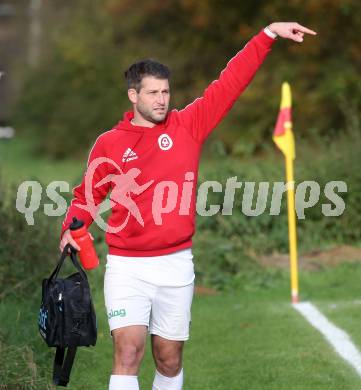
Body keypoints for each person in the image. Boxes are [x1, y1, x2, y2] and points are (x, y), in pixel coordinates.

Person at [60, 22, 316, 390]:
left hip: (175, 263)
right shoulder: (110, 143)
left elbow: (229, 84)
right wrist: (71, 227)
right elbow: (87, 196)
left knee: (169, 358)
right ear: (133, 95)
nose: (161, 99)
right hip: (127, 266)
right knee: (128, 352)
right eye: (152, 93)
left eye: (165, 91)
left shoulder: (188, 126)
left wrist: (268, 34)